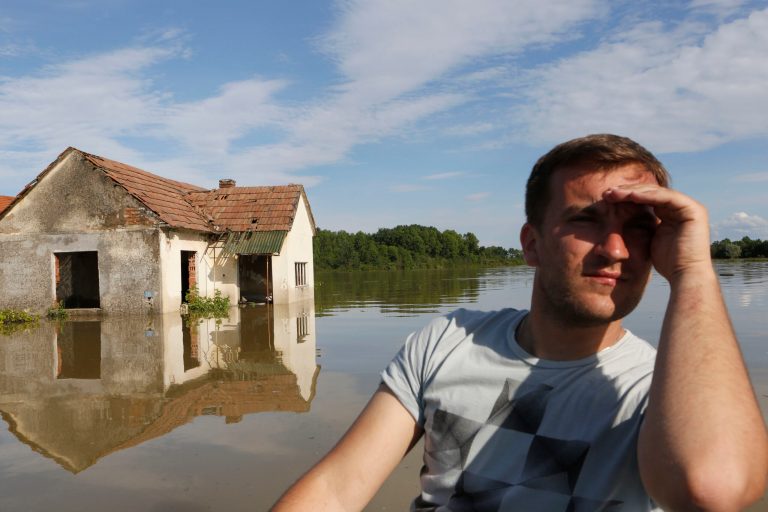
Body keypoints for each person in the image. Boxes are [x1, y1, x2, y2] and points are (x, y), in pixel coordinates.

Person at [272, 134, 768, 511]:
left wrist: (694, 271)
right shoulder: (448, 340)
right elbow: (337, 490)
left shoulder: (662, 391)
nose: (616, 250)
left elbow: (713, 488)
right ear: (531, 244)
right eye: (586, 220)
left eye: (638, 228)